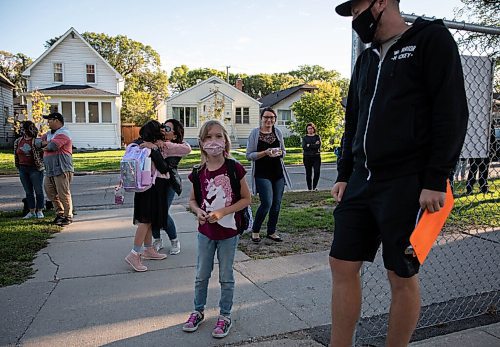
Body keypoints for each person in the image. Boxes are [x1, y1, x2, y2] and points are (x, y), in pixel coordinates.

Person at [330, 1, 469, 346]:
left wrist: (436, 178)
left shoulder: (431, 40)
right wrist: (345, 173)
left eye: (357, 8)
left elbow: (451, 111)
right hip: (362, 179)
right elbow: (354, 122)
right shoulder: (365, 59)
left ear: (380, 3)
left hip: (407, 182)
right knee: (341, 264)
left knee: (401, 274)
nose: (353, 18)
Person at [183, 120, 251, 338]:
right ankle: (198, 310)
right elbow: (192, 200)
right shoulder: (197, 172)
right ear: (201, 143)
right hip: (206, 233)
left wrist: (223, 212)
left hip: (228, 234)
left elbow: (246, 199)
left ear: (226, 141)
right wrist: (197, 211)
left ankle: (225, 315)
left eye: (218, 136)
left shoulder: (234, 168)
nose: (214, 141)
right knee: (201, 275)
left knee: (226, 276)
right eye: (208, 137)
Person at [124, 120, 170, 272]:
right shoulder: (150, 148)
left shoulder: (134, 145)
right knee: (145, 222)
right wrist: (156, 149)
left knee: (147, 220)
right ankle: (134, 253)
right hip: (150, 188)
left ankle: (148, 249)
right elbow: (163, 168)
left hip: (139, 188)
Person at [245, 107, 292, 243]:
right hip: (262, 174)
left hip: (278, 173)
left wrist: (279, 153)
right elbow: (249, 155)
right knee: (267, 203)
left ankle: (271, 231)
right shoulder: (255, 133)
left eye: (271, 117)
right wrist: (265, 153)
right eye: (266, 117)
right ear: (261, 118)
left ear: (275, 119)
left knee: (276, 204)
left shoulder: (277, 132)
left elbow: (284, 151)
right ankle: (255, 230)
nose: (269, 120)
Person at [152, 119, 192, 254]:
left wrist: (165, 144)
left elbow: (187, 148)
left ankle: (174, 240)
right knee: (152, 212)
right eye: (163, 126)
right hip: (152, 183)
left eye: (167, 128)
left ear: (175, 135)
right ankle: (157, 240)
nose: (163, 130)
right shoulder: (155, 142)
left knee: (163, 212)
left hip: (168, 184)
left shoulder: (176, 147)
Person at [40, 113, 75, 226]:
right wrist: (44, 144)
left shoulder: (64, 133)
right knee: (50, 192)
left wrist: (45, 145)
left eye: (49, 120)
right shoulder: (48, 134)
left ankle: (68, 215)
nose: (48, 122)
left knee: (63, 193)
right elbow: (37, 144)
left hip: (62, 167)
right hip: (49, 169)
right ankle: (59, 214)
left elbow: (52, 147)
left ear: (57, 120)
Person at [14, 121, 45, 219]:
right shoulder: (18, 141)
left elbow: (43, 154)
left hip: (35, 169)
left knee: (38, 190)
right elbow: (16, 154)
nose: (21, 130)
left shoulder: (36, 141)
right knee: (28, 192)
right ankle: (31, 211)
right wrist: (18, 165)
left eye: (23, 128)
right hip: (23, 168)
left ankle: (40, 210)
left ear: (28, 129)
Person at [302, 122, 322, 191]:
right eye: (308, 129)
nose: (310, 130)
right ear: (307, 130)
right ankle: (309, 188)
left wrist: (309, 145)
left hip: (316, 157)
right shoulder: (305, 138)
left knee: (317, 172)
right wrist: (313, 145)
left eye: (311, 128)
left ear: (313, 129)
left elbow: (318, 146)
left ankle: (314, 187)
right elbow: (304, 147)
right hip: (307, 157)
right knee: (308, 173)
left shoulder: (317, 137)